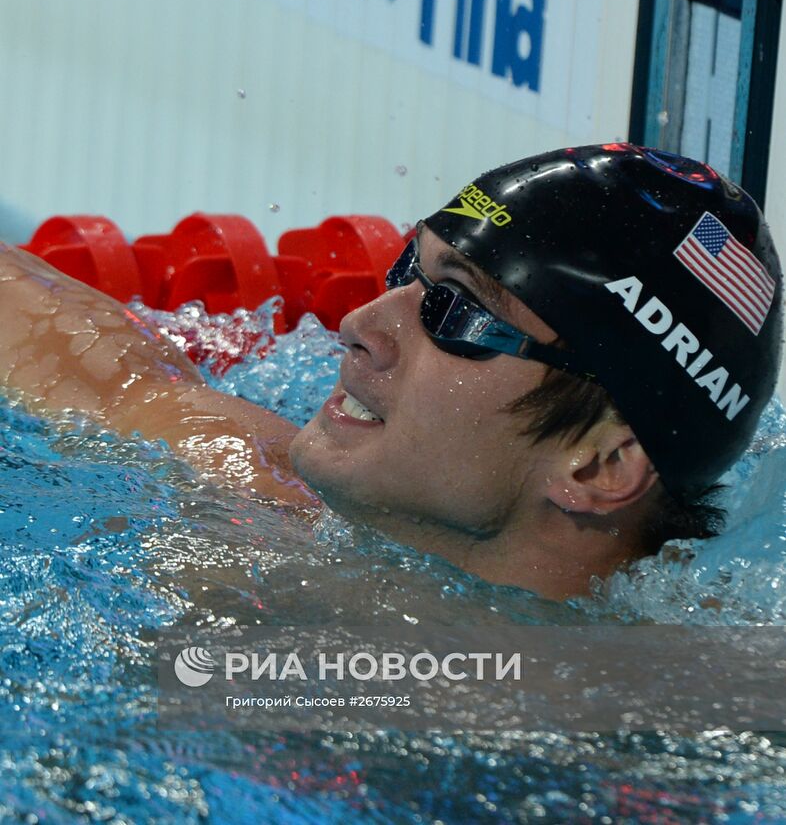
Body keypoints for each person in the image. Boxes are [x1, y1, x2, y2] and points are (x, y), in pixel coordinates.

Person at [0, 144, 781, 599]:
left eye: (457, 312)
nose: (359, 326)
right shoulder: (261, 494)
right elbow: (109, 374)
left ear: (602, 462)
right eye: (409, 270)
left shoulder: (633, 721)